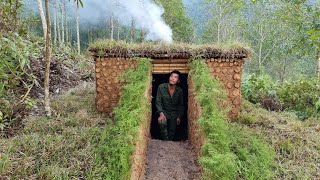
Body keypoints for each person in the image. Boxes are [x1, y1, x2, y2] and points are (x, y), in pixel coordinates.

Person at [155, 70, 184, 140]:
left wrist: (179, 116)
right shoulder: (161, 87)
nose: (172, 78)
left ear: (178, 81)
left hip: (174, 113)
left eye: (175, 77)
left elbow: (181, 105)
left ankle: (169, 143)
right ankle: (165, 141)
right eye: (171, 76)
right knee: (162, 122)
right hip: (164, 111)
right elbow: (158, 101)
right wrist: (161, 113)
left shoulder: (179, 91)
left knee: (172, 132)